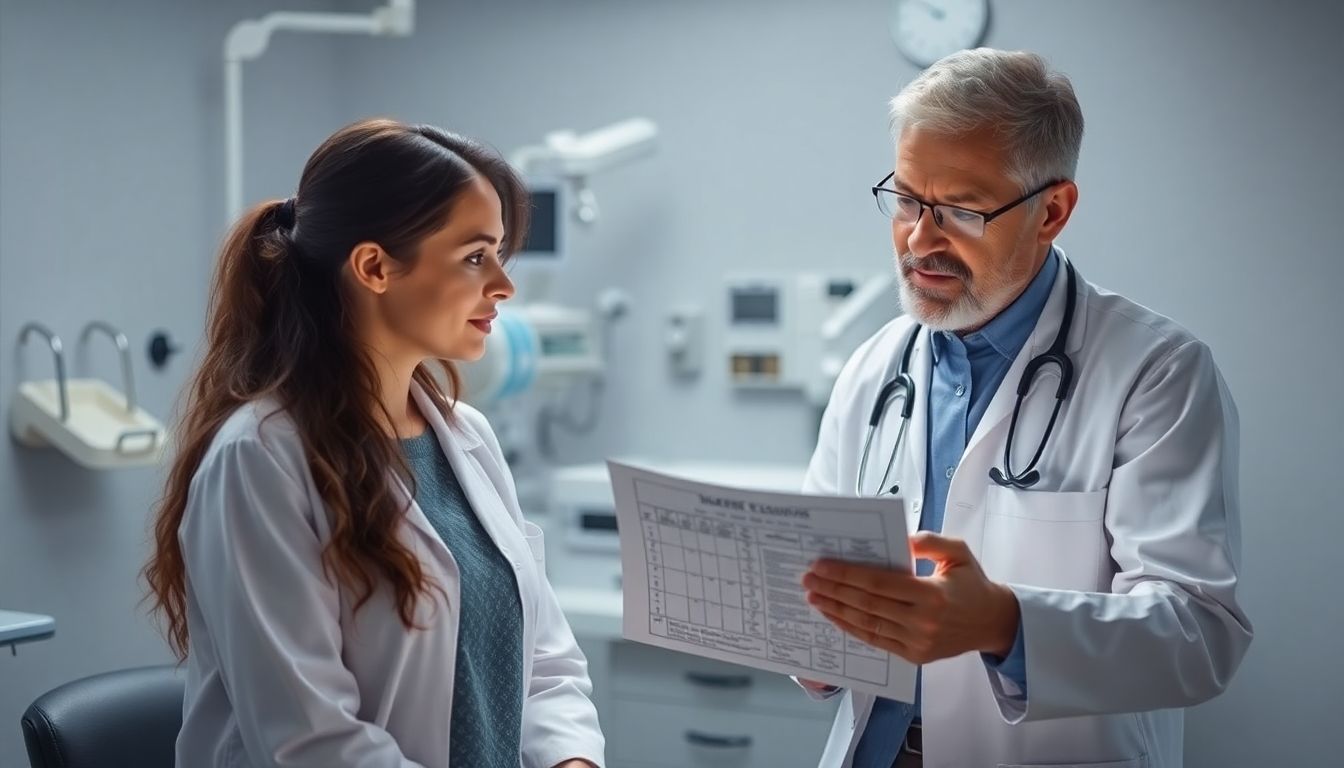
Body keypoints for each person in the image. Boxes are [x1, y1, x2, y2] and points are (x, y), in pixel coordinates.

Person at [797, 49, 1252, 768]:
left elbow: (1198, 634)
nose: (920, 239)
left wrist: (1004, 625)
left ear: (1053, 211)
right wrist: (812, 636)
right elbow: (817, 579)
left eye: (961, 210)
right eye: (907, 200)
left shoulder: (1157, 373)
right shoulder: (873, 367)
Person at [144, 118, 604, 768]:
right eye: (476, 257)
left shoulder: (466, 435)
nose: (504, 285)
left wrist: (570, 761)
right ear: (374, 267)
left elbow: (544, 662)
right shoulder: (260, 458)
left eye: (501, 254)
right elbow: (311, 741)